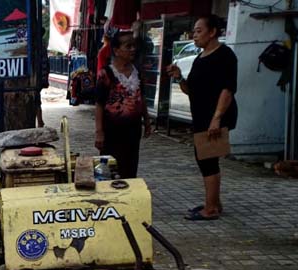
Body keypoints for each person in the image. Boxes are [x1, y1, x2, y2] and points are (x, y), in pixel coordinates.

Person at [166, 15, 237, 220]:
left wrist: (216, 118)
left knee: (207, 159)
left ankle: (211, 208)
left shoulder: (225, 55)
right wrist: (179, 77)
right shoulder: (200, 57)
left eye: (198, 31)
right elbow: (191, 90)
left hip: (215, 115)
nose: (194, 35)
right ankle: (213, 202)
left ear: (212, 32)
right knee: (205, 158)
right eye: (194, 31)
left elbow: (228, 90)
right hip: (201, 115)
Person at [94, 30, 151, 179]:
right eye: (128, 46)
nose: (133, 49)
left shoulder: (137, 72)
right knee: (110, 167)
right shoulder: (106, 74)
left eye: (134, 46)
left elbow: (141, 97)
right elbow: (99, 104)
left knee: (130, 166)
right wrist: (99, 132)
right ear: (116, 50)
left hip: (133, 129)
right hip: (112, 131)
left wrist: (147, 121)